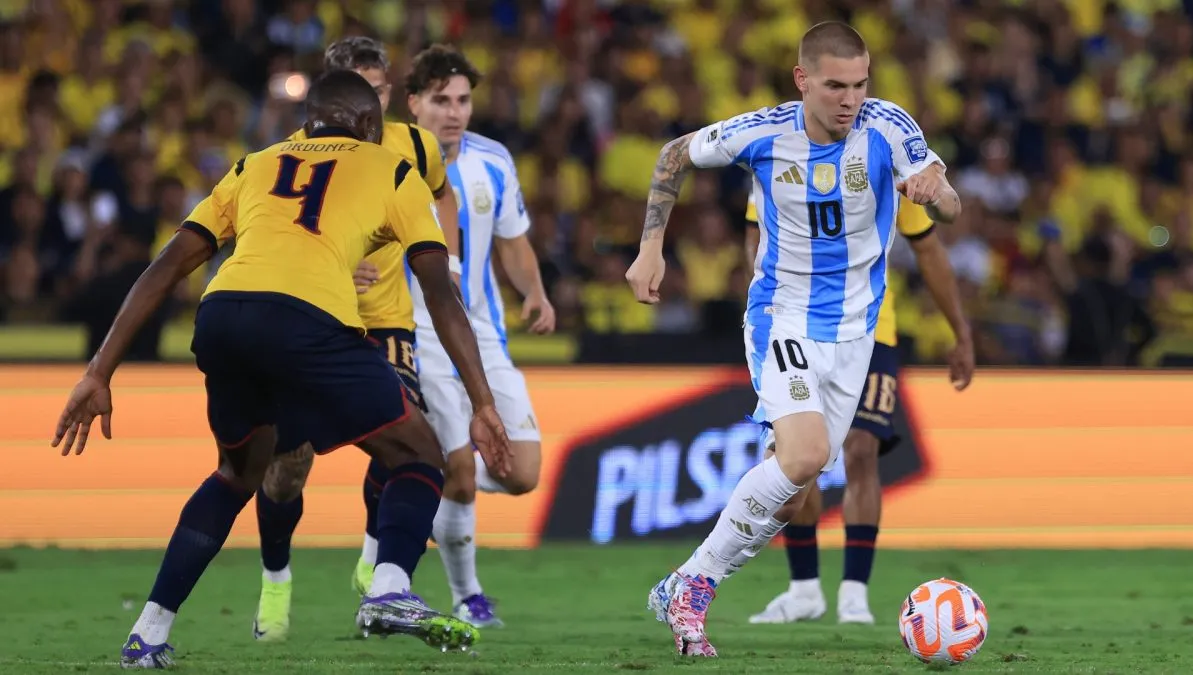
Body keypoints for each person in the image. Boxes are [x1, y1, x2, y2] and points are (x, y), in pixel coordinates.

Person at [50, 70, 512, 668]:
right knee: (418, 453)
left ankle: (148, 633)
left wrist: (99, 371)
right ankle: (389, 589)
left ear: (309, 121)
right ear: (369, 125)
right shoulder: (391, 167)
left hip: (223, 316)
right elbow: (439, 291)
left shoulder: (255, 163)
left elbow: (167, 265)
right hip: (307, 321)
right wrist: (482, 402)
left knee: (235, 474)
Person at [624, 22, 963, 656]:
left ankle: (686, 583)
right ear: (802, 80)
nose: (850, 99)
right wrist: (650, 248)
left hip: (856, 334)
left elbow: (948, 202)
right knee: (805, 457)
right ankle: (693, 586)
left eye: (860, 85)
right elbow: (674, 154)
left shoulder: (889, 125)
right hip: (784, 318)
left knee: (791, 492)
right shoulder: (763, 132)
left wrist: (935, 192)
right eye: (835, 86)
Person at [251, 36, 464, 644]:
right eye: (356, 92)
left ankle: (376, 560)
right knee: (287, 470)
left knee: (408, 439)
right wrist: (338, 266)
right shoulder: (295, 154)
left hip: (386, 321)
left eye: (377, 91)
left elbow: (441, 196)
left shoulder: (415, 146)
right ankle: (275, 577)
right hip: (315, 319)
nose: (367, 106)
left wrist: (445, 261)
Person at [351, 44, 555, 628]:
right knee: (458, 470)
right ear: (413, 103)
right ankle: (468, 595)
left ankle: (411, 483)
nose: (455, 112)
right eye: (441, 100)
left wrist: (535, 292)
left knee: (522, 472)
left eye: (463, 100)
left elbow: (513, 241)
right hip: (416, 333)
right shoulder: (384, 160)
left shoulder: (494, 160)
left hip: (483, 335)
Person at [743, 195, 974, 626]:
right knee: (798, 459)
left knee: (863, 449)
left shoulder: (888, 166)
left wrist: (960, 332)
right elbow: (755, 238)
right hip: (797, 326)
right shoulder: (774, 161)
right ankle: (804, 589)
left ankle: (854, 594)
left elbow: (928, 248)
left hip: (870, 327)